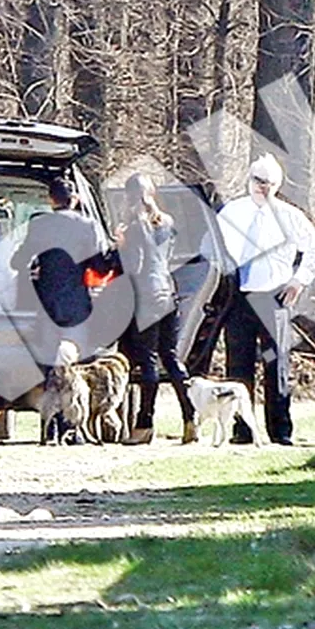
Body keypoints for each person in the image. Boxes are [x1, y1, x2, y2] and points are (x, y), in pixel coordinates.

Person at [214, 154, 315, 446]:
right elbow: (211, 249)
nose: (262, 187)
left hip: (274, 297)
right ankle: (242, 429)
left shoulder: (290, 216)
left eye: (268, 183)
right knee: (238, 365)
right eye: (257, 180)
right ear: (248, 180)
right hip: (238, 296)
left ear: (278, 185)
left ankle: (280, 430)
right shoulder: (231, 212)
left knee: (276, 364)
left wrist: (299, 280)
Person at [10, 177, 119, 443]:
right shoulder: (88, 226)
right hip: (76, 305)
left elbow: (19, 261)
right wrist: (118, 249)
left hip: (45, 304)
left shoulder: (39, 225)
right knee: (75, 368)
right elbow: (101, 267)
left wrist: (36, 267)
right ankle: (74, 428)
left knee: (50, 368)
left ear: (50, 199)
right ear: (76, 200)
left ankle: (50, 428)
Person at [115, 173, 198, 446]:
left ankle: (144, 424)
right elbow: (166, 257)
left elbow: (135, 267)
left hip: (146, 296)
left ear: (129, 197)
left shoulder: (133, 227)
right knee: (171, 358)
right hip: (168, 291)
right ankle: (190, 416)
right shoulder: (167, 221)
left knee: (148, 359)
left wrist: (121, 246)